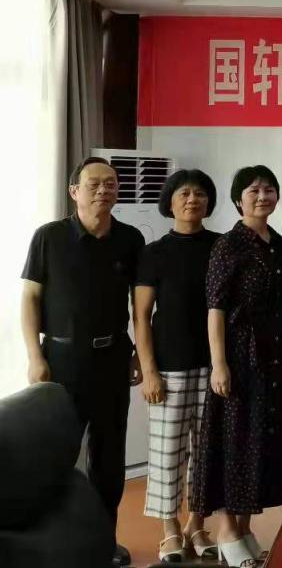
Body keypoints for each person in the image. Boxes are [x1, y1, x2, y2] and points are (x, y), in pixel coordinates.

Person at [20, 157, 144, 568]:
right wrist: (35, 356)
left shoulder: (130, 239)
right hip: (61, 360)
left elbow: (140, 305)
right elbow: (30, 298)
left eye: (111, 183)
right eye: (94, 183)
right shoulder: (49, 237)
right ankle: (55, 543)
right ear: (74, 191)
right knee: (57, 454)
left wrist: (137, 354)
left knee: (108, 460)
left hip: (112, 359)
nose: (103, 190)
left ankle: (105, 541)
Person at [190, 166, 282, 568]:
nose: (262, 196)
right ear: (239, 199)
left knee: (257, 441)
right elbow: (215, 309)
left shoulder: (278, 243)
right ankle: (226, 530)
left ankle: (244, 528)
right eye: (254, 190)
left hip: (272, 355)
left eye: (269, 189)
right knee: (232, 440)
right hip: (239, 355)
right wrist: (219, 364)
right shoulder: (229, 244)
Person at [133, 169, 221, 563]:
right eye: (184, 193)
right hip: (169, 367)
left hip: (215, 366)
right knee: (167, 452)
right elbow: (141, 316)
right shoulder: (154, 253)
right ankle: (169, 529)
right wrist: (149, 370)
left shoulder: (221, 247)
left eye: (200, 194)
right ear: (169, 201)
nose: (192, 199)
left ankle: (197, 525)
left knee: (206, 452)